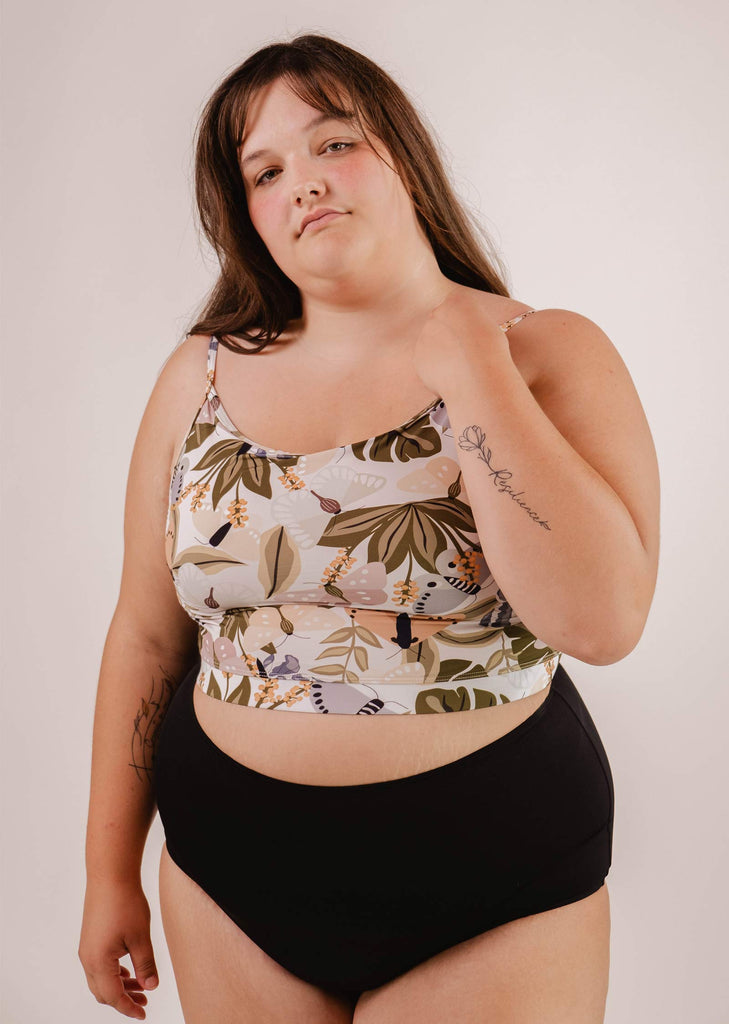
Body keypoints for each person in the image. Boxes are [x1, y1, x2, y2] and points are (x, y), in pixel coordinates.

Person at [78, 32, 660, 1023]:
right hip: (226, 877)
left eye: (333, 143)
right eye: (265, 170)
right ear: (246, 212)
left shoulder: (547, 351)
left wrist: (469, 362)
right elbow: (144, 632)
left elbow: (602, 621)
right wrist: (106, 872)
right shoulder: (198, 377)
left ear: (401, 150)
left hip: (492, 887)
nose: (302, 180)